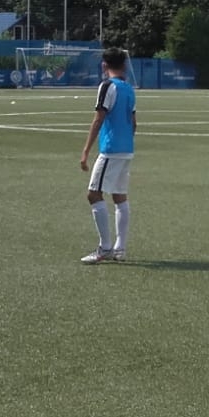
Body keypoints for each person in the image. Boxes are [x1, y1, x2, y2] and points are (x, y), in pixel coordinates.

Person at [80, 48, 137, 264]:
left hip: (111, 149)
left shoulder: (107, 86)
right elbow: (134, 123)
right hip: (126, 149)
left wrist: (86, 150)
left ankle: (105, 247)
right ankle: (120, 248)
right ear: (124, 65)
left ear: (105, 65)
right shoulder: (129, 88)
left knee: (93, 194)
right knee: (119, 196)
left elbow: (98, 119)